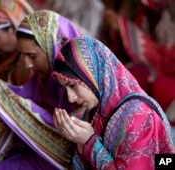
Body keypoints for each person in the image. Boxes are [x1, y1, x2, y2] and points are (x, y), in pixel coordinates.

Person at [0, 9, 83, 169]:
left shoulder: (80, 86)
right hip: (34, 155)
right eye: (23, 55)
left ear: (52, 48)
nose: (26, 64)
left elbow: (70, 145)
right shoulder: (42, 79)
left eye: (32, 56)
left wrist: (19, 109)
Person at [51, 36, 175, 169]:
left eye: (73, 85)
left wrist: (89, 143)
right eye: (66, 88)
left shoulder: (139, 116)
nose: (70, 98)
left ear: (93, 75)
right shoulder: (96, 109)